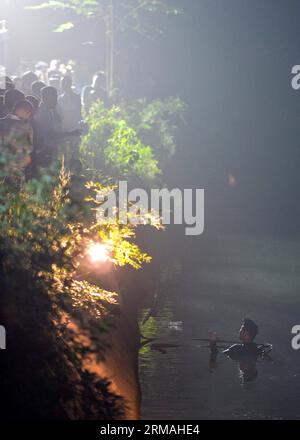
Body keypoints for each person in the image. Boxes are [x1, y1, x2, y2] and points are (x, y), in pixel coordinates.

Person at [33, 86, 81, 168]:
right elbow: (50, 135)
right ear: (45, 98)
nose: (56, 101)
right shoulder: (42, 113)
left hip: (50, 151)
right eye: (53, 98)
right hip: (44, 152)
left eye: (56, 97)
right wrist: (70, 134)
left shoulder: (51, 110)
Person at [209, 319, 260, 384]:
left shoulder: (236, 348)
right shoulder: (257, 349)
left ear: (245, 332)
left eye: (241, 329)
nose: (239, 331)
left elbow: (216, 354)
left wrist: (212, 342)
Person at [0, 99, 34, 185]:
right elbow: (28, 149)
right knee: (14, 196)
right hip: (15, 170)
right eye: (29, 112)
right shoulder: (25, 127)